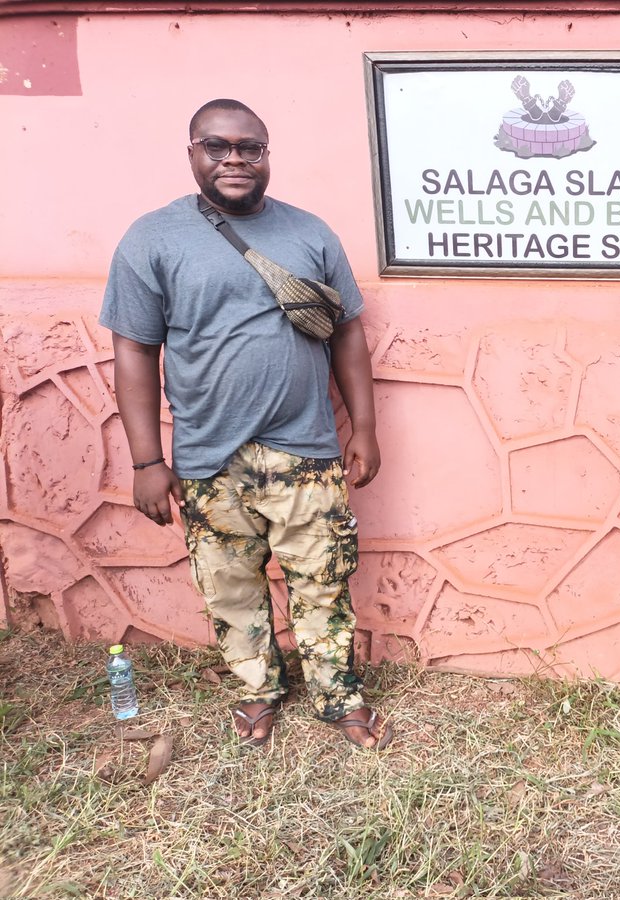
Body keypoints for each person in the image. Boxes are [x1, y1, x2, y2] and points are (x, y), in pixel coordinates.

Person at [100, 98, 392, 750]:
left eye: (249, 147)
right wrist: (148, 462)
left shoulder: (310, 233)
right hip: (208, 455)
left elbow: (347, 334)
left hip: (307, 448)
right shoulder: (153, 238)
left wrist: (364, 430)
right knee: (230, 587)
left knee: (323, 580)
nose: (234, 159)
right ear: (192, 154)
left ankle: (338, 697)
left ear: (266, 155)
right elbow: (134, 352)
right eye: (217, 146)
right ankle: (257, 691)